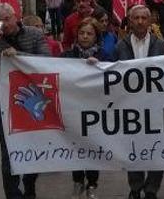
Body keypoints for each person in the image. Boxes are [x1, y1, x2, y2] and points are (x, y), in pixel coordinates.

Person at [0, 3, 50, 199]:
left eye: (6, 19)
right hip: (5, 102)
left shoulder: (33, 34)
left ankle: (30, 183)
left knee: (32, 144)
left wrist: (19, 56)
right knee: (7, 148)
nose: (4, 24)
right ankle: (13, 193)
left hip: (32, 100)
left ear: (15, 16)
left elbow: (46, 61)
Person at [117, 5, 164, 199]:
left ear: (149, 21)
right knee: (133, 148)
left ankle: (152, 189)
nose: (139, 22)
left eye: (143, 18)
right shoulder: (120, 46)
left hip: (156, 107)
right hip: (131, 108)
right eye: (136, 18)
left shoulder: (160, 45)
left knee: (157, 147)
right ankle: (135, 187)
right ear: (130, 21)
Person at [62, 17, 107, 199]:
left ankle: (92, 184)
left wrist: (99, 66)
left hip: (95, 110)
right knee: (75, 146)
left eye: (90, 33)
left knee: (92, 146)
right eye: (82, 33)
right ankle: (78, 181)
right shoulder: (66, 56)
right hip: (72, 109)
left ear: (96, 37)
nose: (85, 37)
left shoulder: (105, 56)